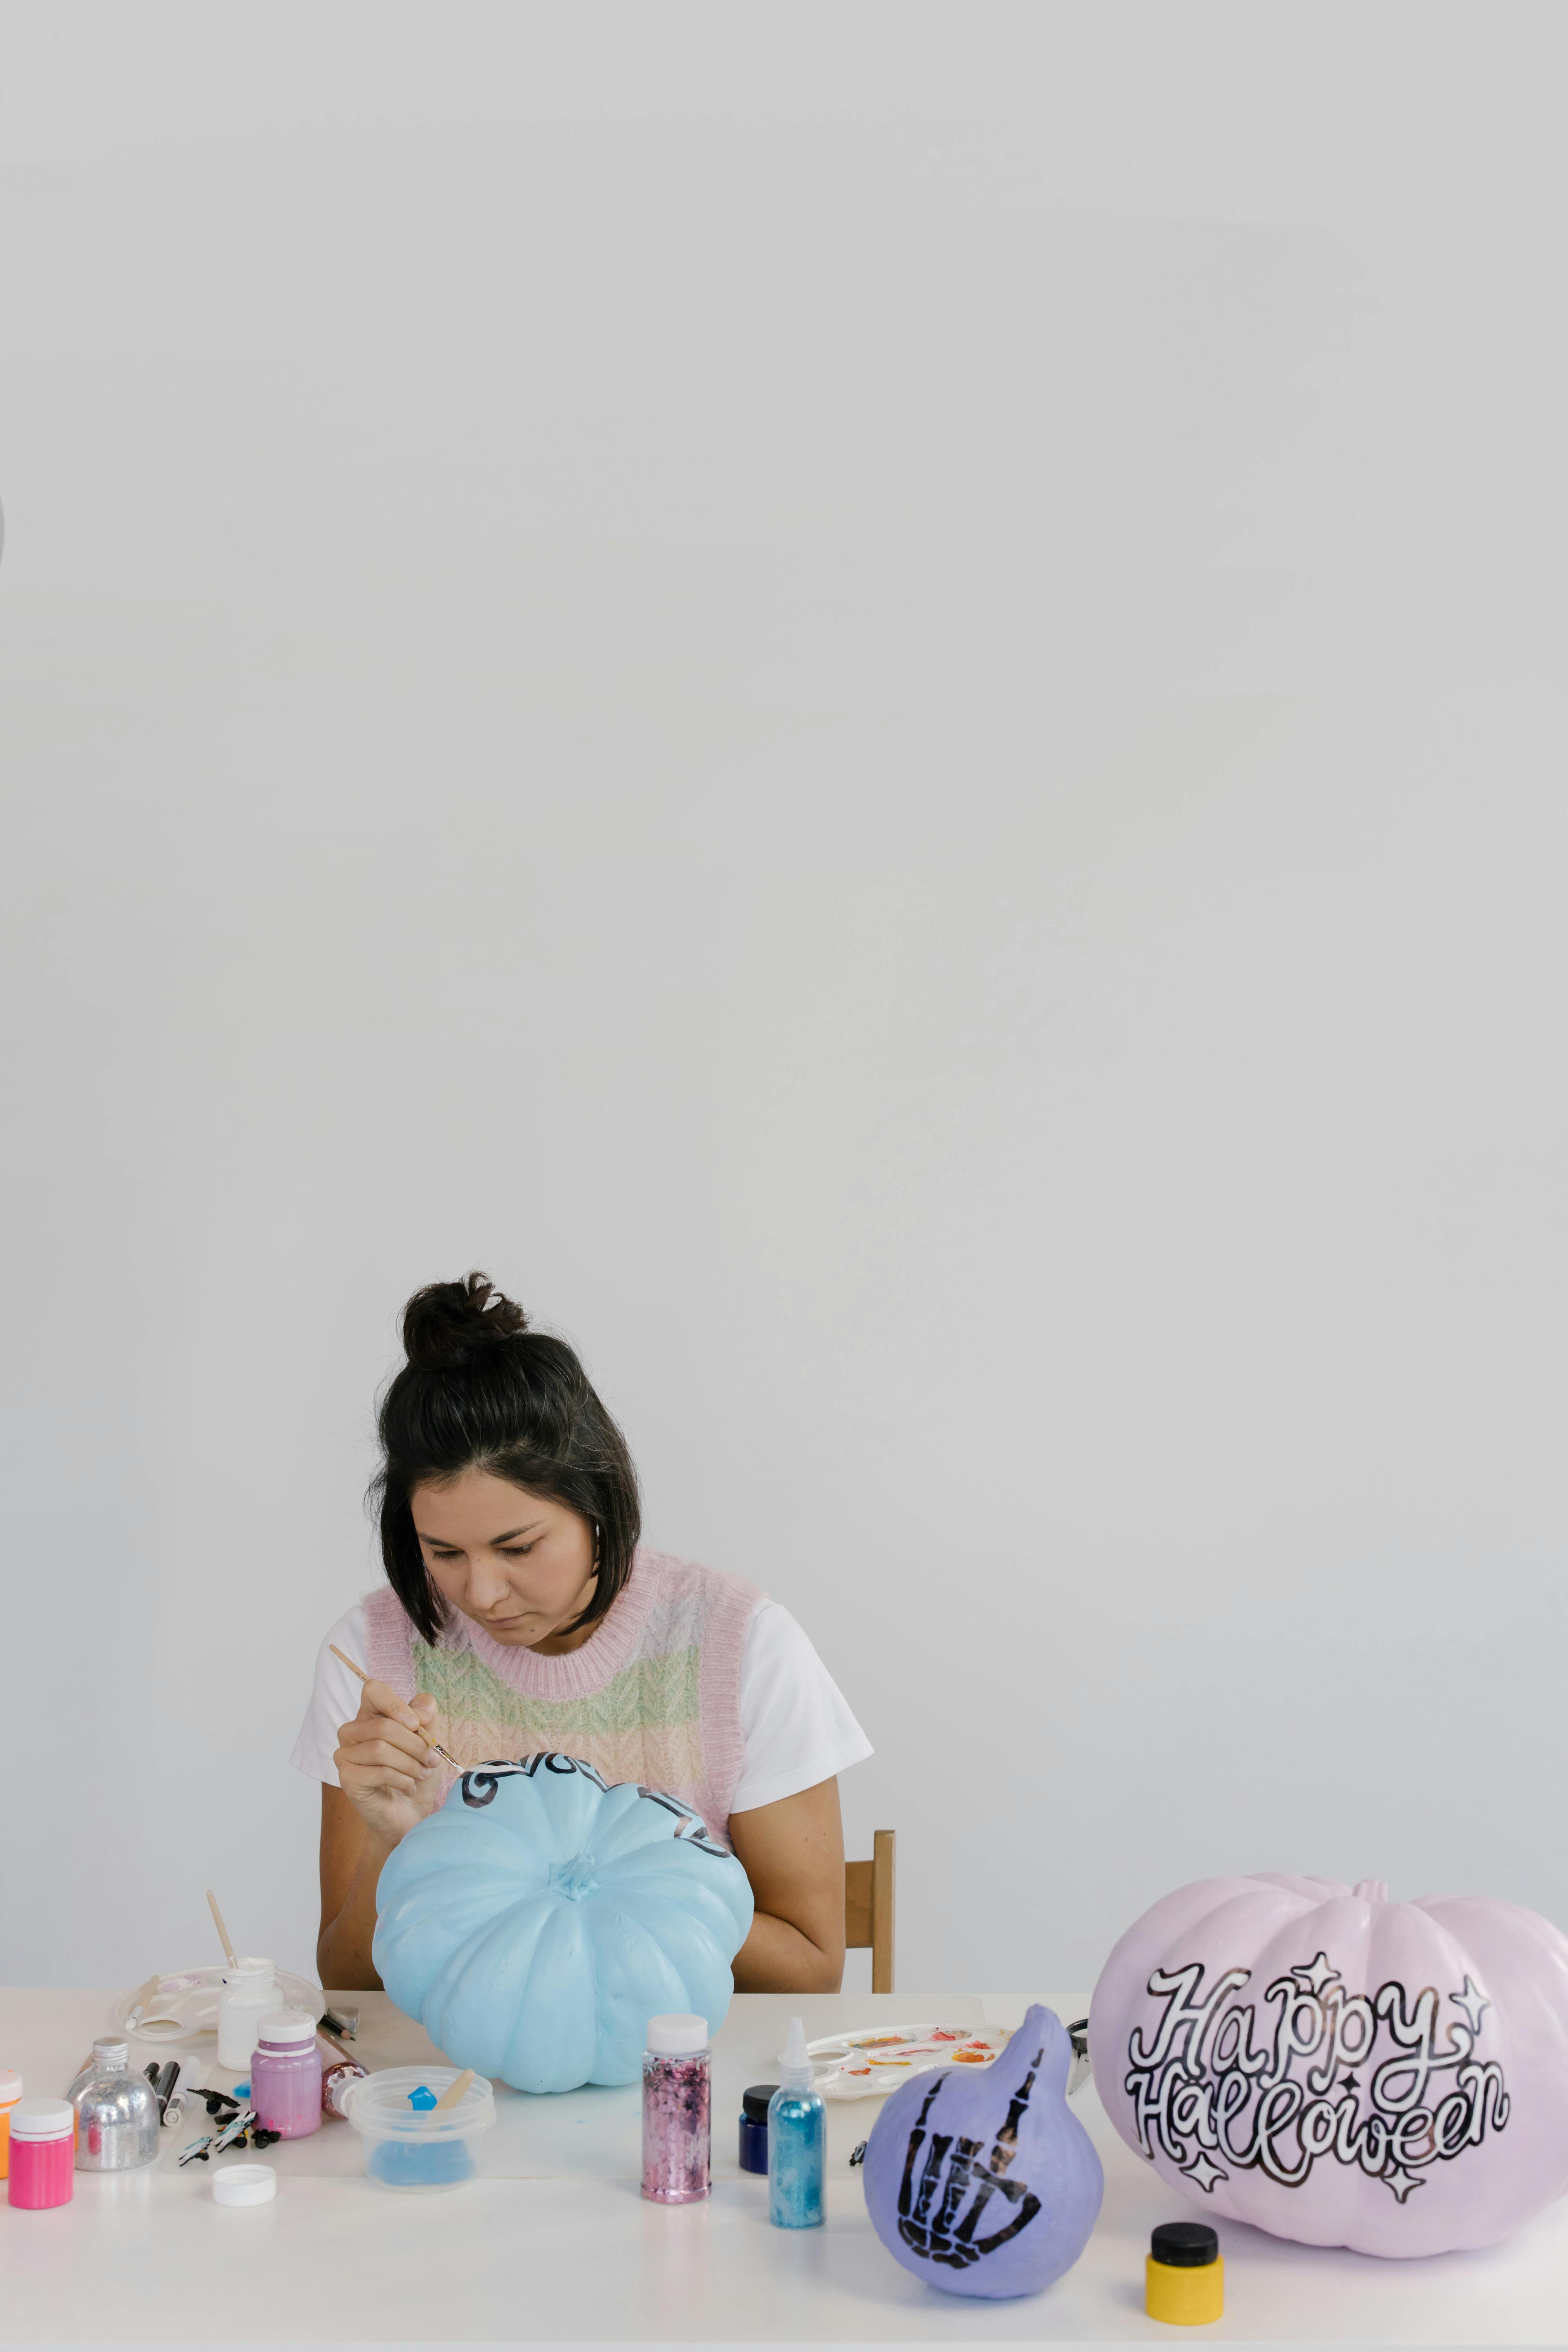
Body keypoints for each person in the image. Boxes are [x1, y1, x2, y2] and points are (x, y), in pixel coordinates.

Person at [292, 1273, 872, 1993]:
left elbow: (809, 1970)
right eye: (442, 1553)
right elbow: (347, 1982)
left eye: (518, 1547)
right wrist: (395, 1841)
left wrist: (608, 1873)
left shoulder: (740, 1645)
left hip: (677, 2078)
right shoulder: (372, 1656)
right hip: (458, 2089)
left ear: (595, 1501)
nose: (481, 1593)